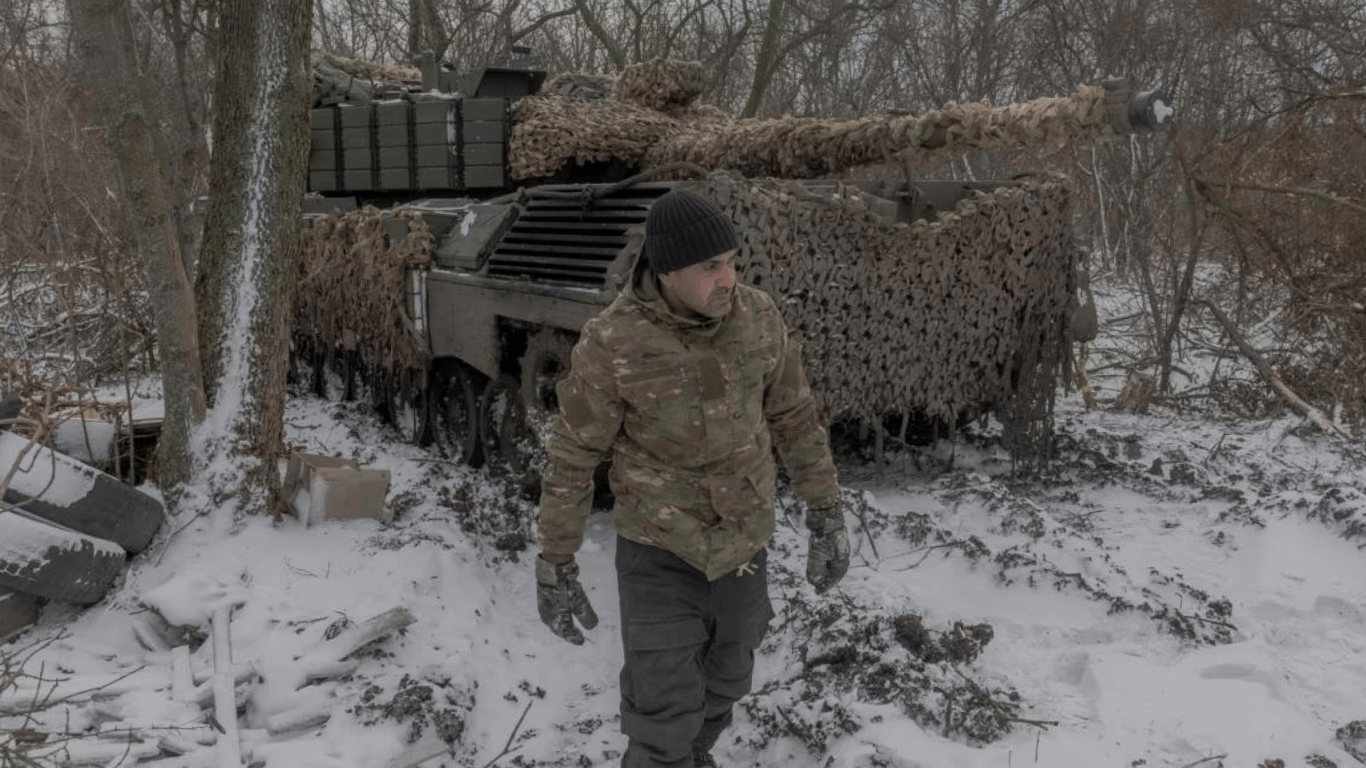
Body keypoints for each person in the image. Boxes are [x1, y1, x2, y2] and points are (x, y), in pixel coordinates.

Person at [534, 187, 850, 768]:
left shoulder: (758, 318)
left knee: (728, 682)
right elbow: (574, 453)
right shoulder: (613, 341)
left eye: (731, 263)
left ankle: (692, 754)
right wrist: (556, 560)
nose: (727, 279)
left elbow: (796, 418)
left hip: (743, 543)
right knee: (662, 718)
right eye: (711, 267)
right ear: (667, 269)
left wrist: (825, 512)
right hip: (658, 551)